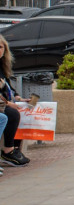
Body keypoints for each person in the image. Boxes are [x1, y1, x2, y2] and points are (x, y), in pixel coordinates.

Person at [0, 35, 31, 167]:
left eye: (0, 47)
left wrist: (18, 98)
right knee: (11, 114)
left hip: (4, 102)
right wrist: (8, 103)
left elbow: (8, 87)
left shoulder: (2, 66)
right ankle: (8, 150)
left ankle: (15, 148)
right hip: (2, 104)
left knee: (25, 109)